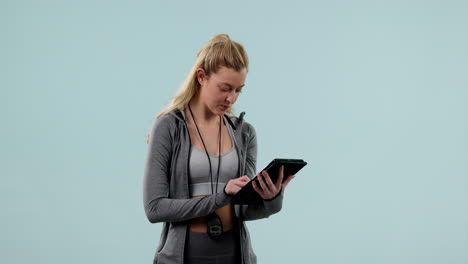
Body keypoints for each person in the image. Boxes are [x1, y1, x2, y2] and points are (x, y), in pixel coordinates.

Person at [143, 33, 295, 264]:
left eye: (238, 90)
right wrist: (221, 196)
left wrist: (271, 199)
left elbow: (243, 210)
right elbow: (155, 208)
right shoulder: (169, 127)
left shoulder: (244, 133)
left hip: (235, 254)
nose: (231, 98)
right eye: (225, 88)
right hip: (183, 256)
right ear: (201, 77)